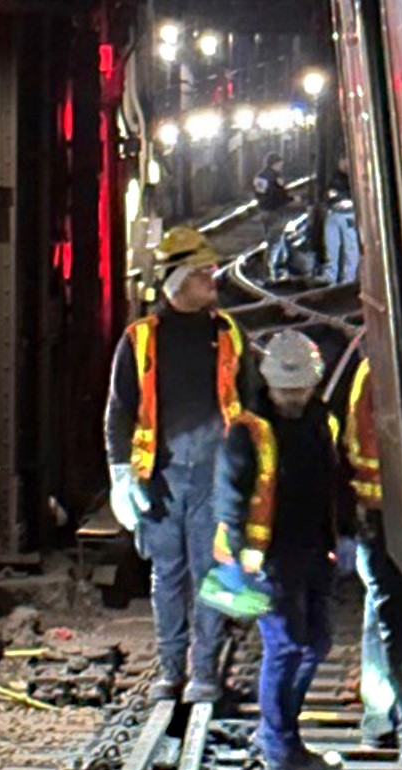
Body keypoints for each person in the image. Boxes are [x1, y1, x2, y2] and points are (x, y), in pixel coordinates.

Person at [106, 226, 252, 702]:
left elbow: (250, 408)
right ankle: (172, 670)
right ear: (177, 280)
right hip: (162, 478)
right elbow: (120, 412)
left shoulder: (228, 334)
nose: (214, 278)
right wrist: (121, 475)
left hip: (216, 477)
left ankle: (204, 673)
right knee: (168, 573)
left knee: (210, 572)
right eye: (203, 272)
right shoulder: (140, 340)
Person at [214, 331, 347, 770]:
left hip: (313, 548)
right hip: (269, 556)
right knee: (287, 645)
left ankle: (278, 732)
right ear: (270, 384)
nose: (294, 397)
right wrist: (240, 556)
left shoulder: (321, 420)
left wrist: (345, 532)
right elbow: (230, 499)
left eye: (301, 389)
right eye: (287, 390)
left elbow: (334, 478)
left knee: (317, 643)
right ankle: (280, 744)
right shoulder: (248, 431)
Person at [339, 354, 402, 770]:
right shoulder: (375, 373)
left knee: (383, 618)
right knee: (395, 620)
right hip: (383, 519)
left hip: (384, 517)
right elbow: (362, 449)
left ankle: (381, 721)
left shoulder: (373, 371)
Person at [320, 156, 360, 286]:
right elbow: (329, 195)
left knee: (350, 247)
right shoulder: (336, 177)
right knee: (332, 247)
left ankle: (348, 279)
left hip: (347, 215)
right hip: (335, 214)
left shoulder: (352, 177)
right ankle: (332, 277)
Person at [253, 153, 293, 282]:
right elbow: (280, 195)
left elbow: (259, 194)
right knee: (274, 242)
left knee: (274, 238)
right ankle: (269, 272)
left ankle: (280, 267)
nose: (281, 166)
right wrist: (292, 199)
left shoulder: (259, 177)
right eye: (280, 164)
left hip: (264, 211)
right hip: (276, 212)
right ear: (275, 164)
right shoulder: (277, 177)